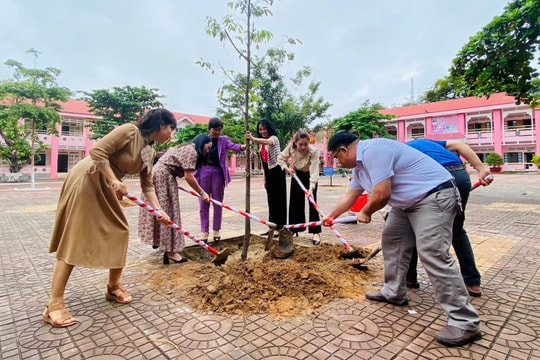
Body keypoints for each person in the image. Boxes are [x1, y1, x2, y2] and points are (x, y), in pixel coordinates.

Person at [322, 131, 487, 347]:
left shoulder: (373, 150)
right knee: (393, 241)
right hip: (407, 204)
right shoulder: (359, 169)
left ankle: (465, 322)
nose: (337, 162)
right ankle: (394, 291)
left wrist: (366, 212)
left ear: (344, 150)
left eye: (336, 157)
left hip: (433, 196)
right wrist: (331, 216)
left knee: (432, 252)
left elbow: (382, 194)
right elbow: (349, 196)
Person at [44, 108, 177, 327]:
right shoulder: (130, 131)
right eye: (171, 129)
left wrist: (158, 210)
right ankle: (54, 304)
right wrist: (114, 180)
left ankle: (113, 287)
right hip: (89, 179)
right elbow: (97, 152)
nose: (171, 134)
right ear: (161, 124)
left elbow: (147, 184)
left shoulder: (150, 149)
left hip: (108, 186)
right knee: (74, 238)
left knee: (120, 231)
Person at [406, 139, 493, 297]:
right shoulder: (429, 143)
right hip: (460, 175)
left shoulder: (399, 152)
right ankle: (472, 282)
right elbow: (460, 145)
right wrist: (481, 168)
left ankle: (409, 278)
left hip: (435, 178)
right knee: (457, 231)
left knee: (412, 228)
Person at [138, 134, 212, 264]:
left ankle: (161, 243)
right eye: (208, 147)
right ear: (202, 143)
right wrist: (202, 193)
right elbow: (189, 176)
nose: (208, 150)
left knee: (160, 211)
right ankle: (171, 251)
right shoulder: (193, 151)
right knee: (169, 213)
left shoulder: (187, 147)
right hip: (163, 177)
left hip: (158, 174)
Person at [195, 117, 247, 243]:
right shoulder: (203, 139)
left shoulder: (223, 140)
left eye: (219, 130)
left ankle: (216, 230)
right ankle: (204, 232)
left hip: (218, 172)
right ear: (209, 129)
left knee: (218, 203)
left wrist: (244, 146)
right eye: (215, 130)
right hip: (203, 171)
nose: (217, 132)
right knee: (203, 203)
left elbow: (233, 146)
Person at [277, 129, 322, 245]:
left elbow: (314, 171)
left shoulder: (313, 151)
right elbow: (280, 158)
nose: (303, 147)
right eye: (300, 144)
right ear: (295, 142)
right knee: (295, 202)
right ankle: (294, 228)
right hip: (296, 175)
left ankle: (315, 232)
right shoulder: (291, 147)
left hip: (310, 176)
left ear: (309, 143)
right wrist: (288, 169)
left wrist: (311, 188)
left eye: (305, 144)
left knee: (313, 203)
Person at [245, 120, 287, 236]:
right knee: (271, 201)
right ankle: (271, 227)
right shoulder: (260, 144)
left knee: (279, 200)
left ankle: (280, 227)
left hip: (277, 172)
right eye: (260, 129)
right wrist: (265, 179)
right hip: (268, 173)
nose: (262, 131)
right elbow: (264, 164)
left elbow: (268, 141)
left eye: (264, 129)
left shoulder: (274, 139)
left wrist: (252, 138)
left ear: (269, 128)